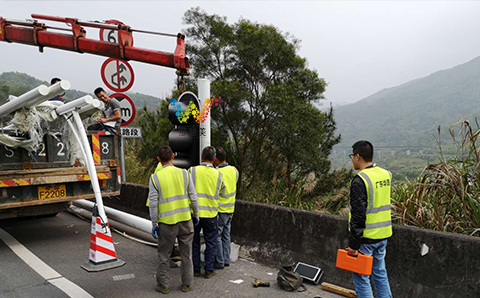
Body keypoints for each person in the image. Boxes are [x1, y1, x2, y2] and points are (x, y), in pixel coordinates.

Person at [147, 146, 199, 294]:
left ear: (158, 160)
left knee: (164, 255)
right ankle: (187, 284)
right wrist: (196, 215)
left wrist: (154, 223)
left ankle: (163, 286)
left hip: (166, 223)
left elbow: (153, 203)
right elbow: (193, 198)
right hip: (185, 220)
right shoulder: (184, 173)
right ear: (173, 157)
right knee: (186, 254)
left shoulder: (155, 178)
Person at [347, 140, 393, 298]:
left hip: (366, 239)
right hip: (383, 235)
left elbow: (358, 215)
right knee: (380, 274)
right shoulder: (386, 174)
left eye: (352, 156)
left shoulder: (360, 180)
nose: (352, 159)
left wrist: (353, 244)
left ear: (358, 157)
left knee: (361, 278)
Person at [189, 146, 225, 279]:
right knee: (211, 242)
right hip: (211, 213)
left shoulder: (192, 171)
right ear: (214, 159)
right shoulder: (218, 174)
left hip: (195, 214)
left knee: (195, 242)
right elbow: (222, 191)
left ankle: (196, 269)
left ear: (202, 157)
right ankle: (209, 270)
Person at [213, 147, 239, 269]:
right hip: (231, 209)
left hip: (221, 210)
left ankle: (219, 261)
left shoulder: (217, 173)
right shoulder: (234, 170)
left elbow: (215, 192)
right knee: (226, 234)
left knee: (217, 235)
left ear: (216, 159)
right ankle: (226, 259)